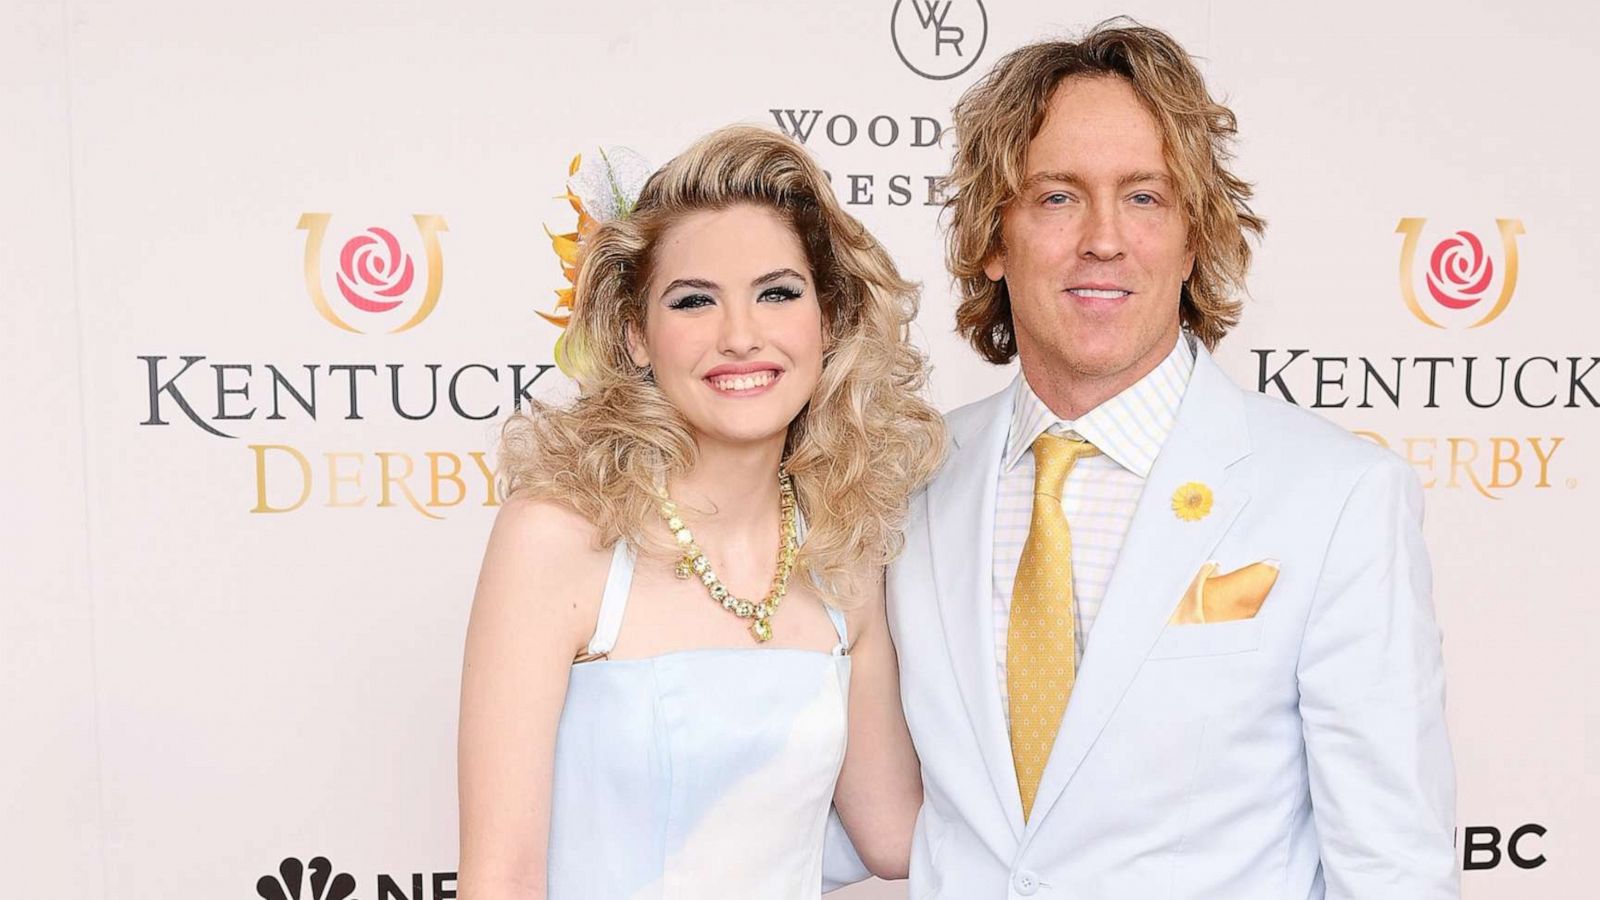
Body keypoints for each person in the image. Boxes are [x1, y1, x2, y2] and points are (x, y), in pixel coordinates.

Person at [826, 19, 1458, 900]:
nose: (1104, 239)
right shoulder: (903, 478)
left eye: (1145, 198)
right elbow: (846, 807)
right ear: (992, 237)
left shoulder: (1339, 497)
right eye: (1056, 197)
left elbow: (1393, 867)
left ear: (1195, 237)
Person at [457, 125, 942, 899]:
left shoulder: (844, 551)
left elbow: (895, 833)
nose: (741, 336)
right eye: (693, 301)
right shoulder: (558, 537)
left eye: (778, 293)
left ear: (830, 319)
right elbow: (502, 879)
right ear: (635, 335)